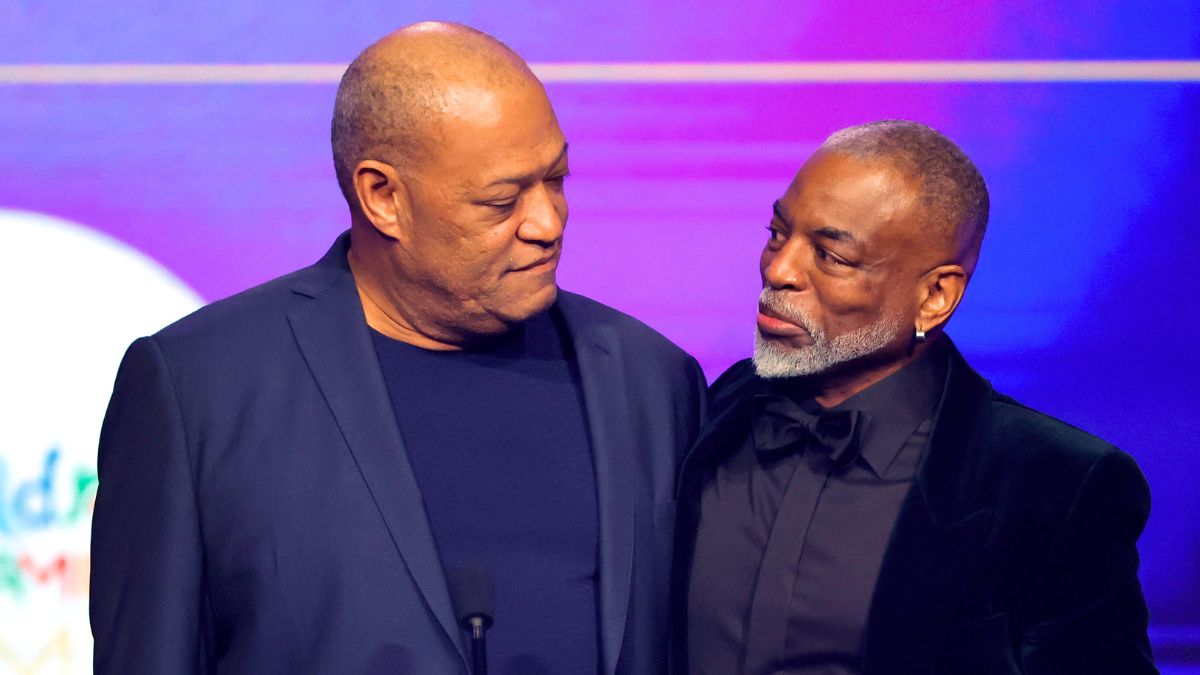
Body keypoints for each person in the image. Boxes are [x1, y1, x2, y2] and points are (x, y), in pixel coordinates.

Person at [91, 22, 705, 674]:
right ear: (383, 197)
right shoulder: (200, 388)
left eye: (556, 179)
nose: (548, 223)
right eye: (503, 200)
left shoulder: (653, 380)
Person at [674, 120, 1155, 674]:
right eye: (778, 232)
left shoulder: (1053, 484)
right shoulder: (713, 408)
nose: (778, 270)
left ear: (934, 296)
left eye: (831, 257)